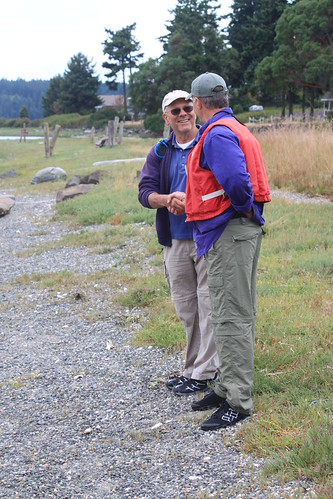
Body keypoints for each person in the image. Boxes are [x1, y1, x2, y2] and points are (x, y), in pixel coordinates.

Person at [169, 73, 270, 429]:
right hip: (231, 232)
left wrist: (242, 209)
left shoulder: (217, 134)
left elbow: (238, 183)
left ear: (197, 104)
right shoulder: (233, 126)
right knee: (230, 311)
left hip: (229, 232)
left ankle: (238, 401)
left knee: (231, 317)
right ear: (224, 98)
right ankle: (226, 386)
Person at [138, 90, 219, 396]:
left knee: (209, 305)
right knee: (187, 308)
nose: (183, 113)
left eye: (188, 107)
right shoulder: (160, 151)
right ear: (166, 117)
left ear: (196, 110)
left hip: (207, 236)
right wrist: (166, 199)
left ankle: (204, 373)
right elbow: (144, 191)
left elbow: (226, 186)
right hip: (174, 239)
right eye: (176, 110)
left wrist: (193, 202)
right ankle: (193, 368)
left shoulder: (210, 141)